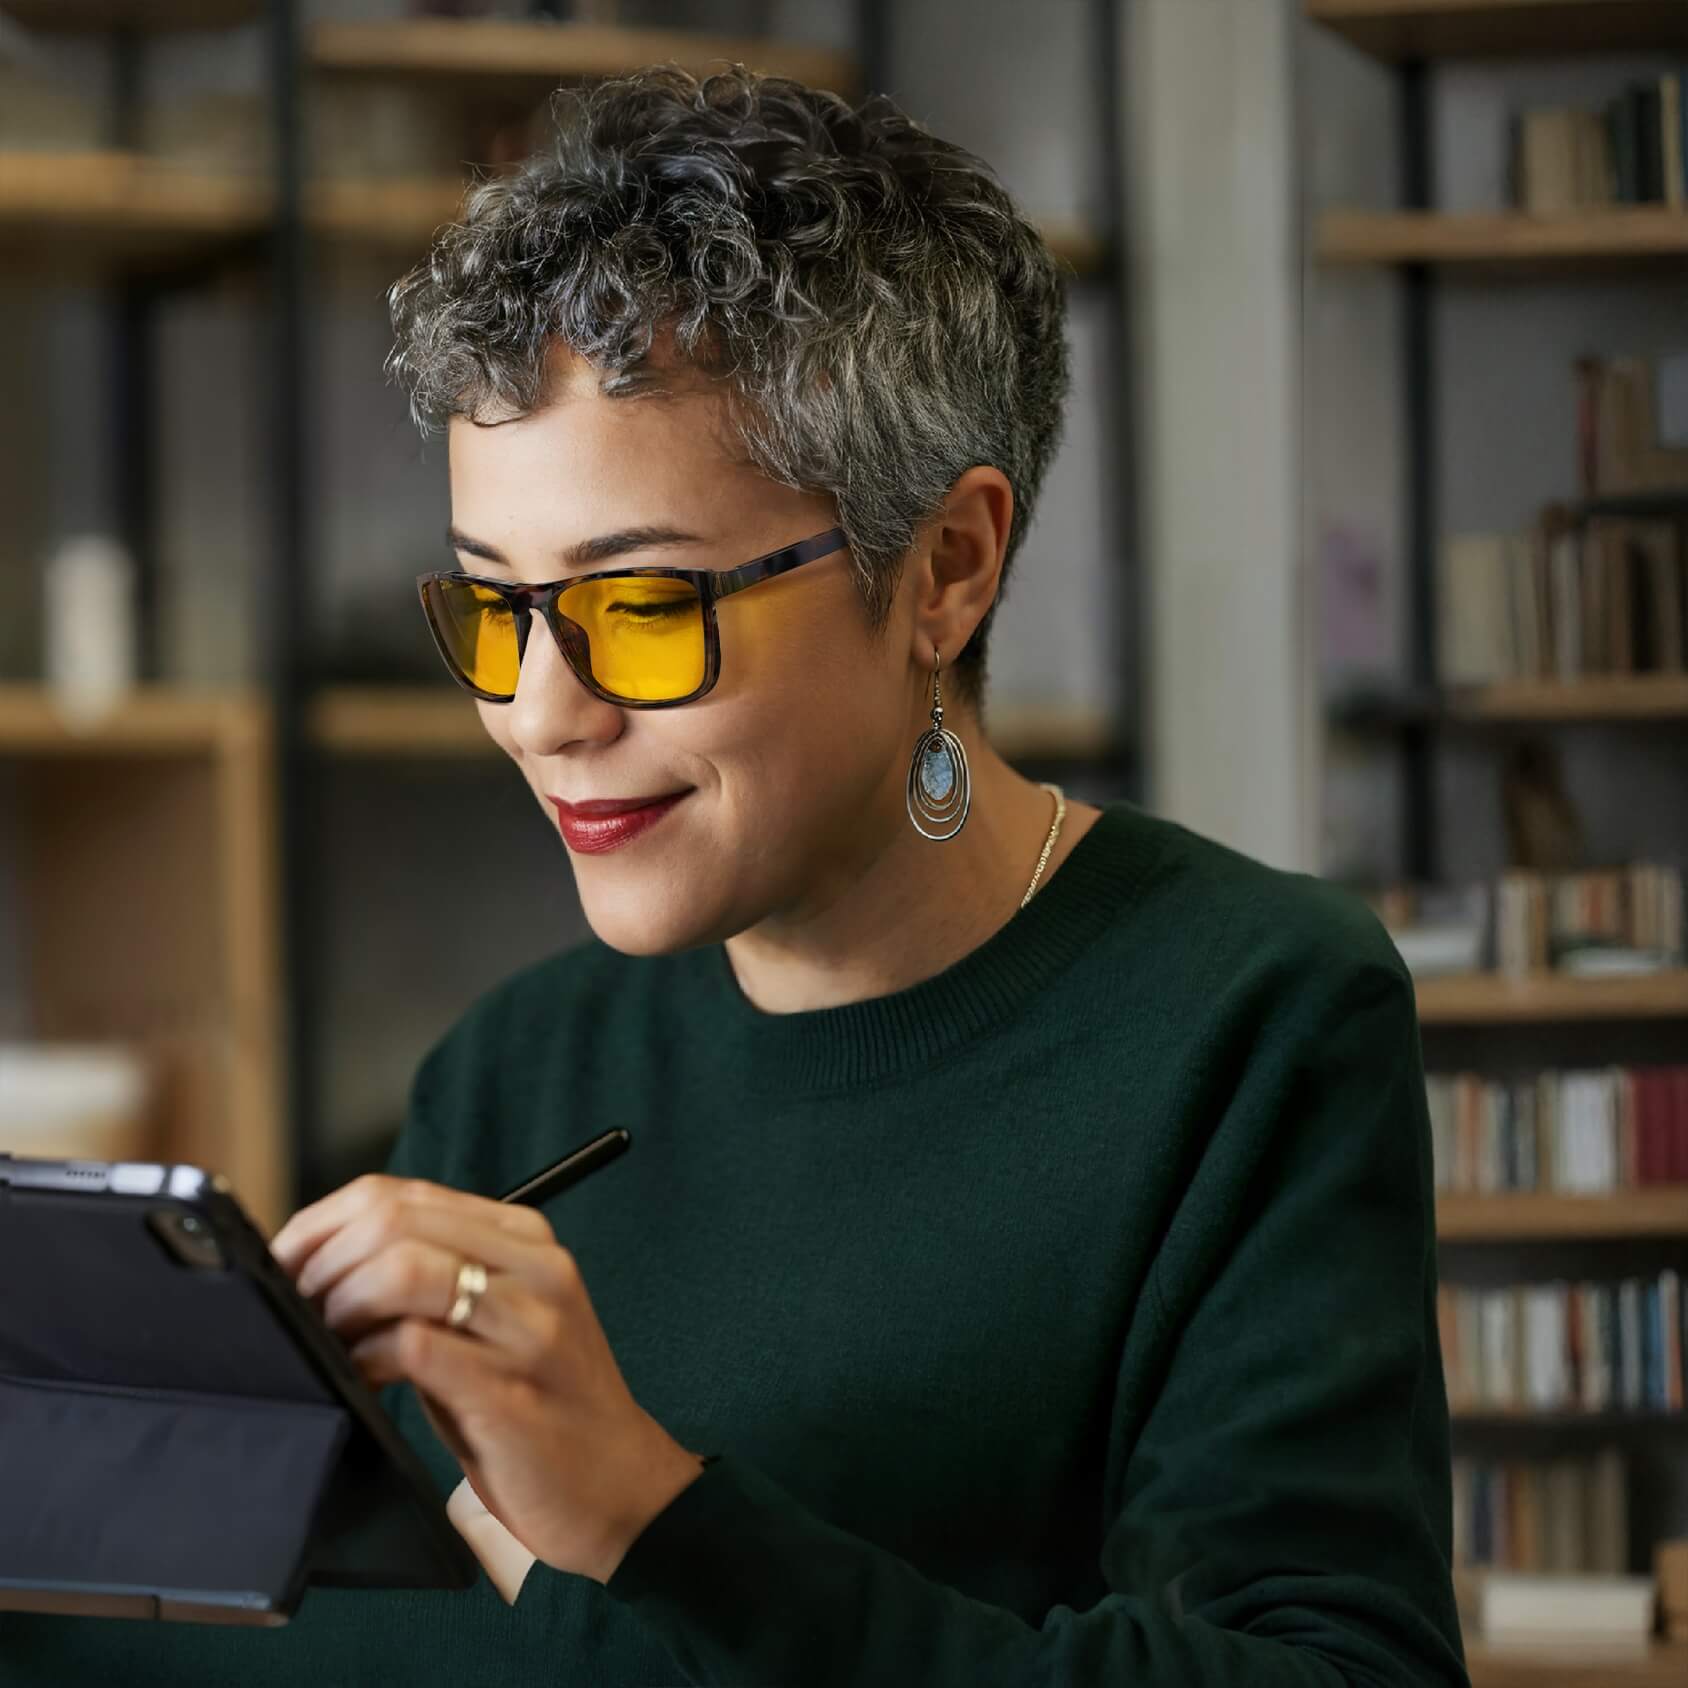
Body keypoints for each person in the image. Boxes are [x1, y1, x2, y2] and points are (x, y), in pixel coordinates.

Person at [1, 62, 1469, 1688]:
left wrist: (645, 1518)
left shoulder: (1253, 1021)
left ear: (946, 568)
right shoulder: (514, 1076)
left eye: (641, 608)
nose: (543, 716)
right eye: (495, 610)